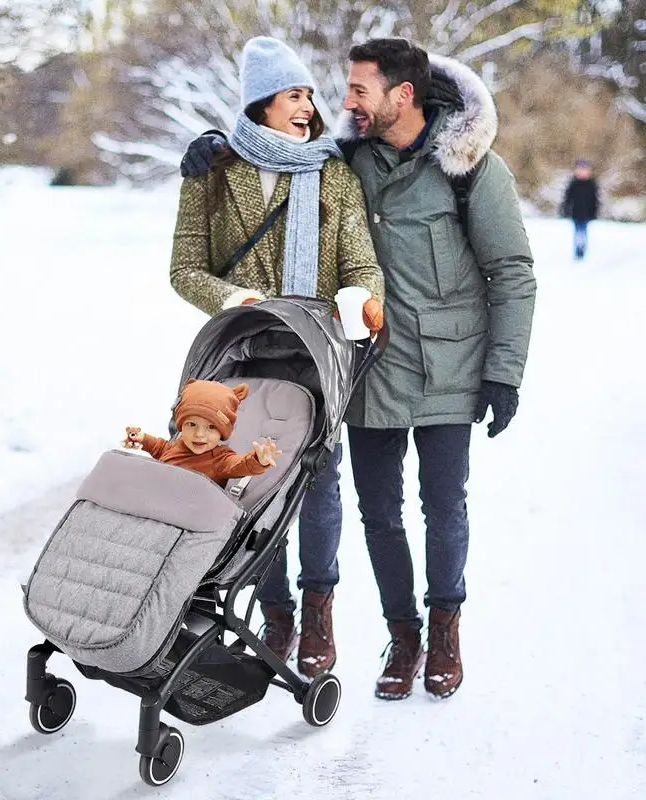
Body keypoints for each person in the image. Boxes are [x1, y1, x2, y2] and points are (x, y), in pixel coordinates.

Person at [181, 37, 536, 700]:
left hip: (451, 369)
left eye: (358, 90)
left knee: (445, 505)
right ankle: (402, 637)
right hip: (367, 368)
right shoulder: (348, 161)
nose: (345, 102)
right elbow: (276, 148)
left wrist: (504, 370)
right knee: (379, 512)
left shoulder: (473, 169)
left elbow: (511, 271)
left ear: (404, 95)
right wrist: (211, 147)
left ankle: (445, 632)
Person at [170, 36, 386, 678]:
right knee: (246, 483)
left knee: (317, 485)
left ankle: (318, 612)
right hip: (239, 352)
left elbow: (360, 261)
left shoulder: (332, 173)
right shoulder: (213, 173)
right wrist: (232, 296)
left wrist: (364, 298)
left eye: (310, 96)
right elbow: (183, 269)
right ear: (262, 103)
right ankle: (275, 612)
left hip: (316, 350)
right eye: (294, 95)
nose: (307, 106)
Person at [122, 379, 280, 487]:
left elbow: (240, 465)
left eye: (211, 427)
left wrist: (259, 461)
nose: (199, 434)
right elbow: (161, 448)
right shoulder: (178, 446)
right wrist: (142, 438)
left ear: (222, 432)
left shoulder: (221, 459)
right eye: (191, 424)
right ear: (181, 425)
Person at [560, 159, 599, 260]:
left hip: (586, 213)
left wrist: (594, 212)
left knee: (583, 231)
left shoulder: (591, 184)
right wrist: (565, 209)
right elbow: (567, 199)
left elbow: (594, 200)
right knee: (577, 231)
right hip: (576, 213)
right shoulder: (573, 184)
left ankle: (582, 247)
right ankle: (578, 248)